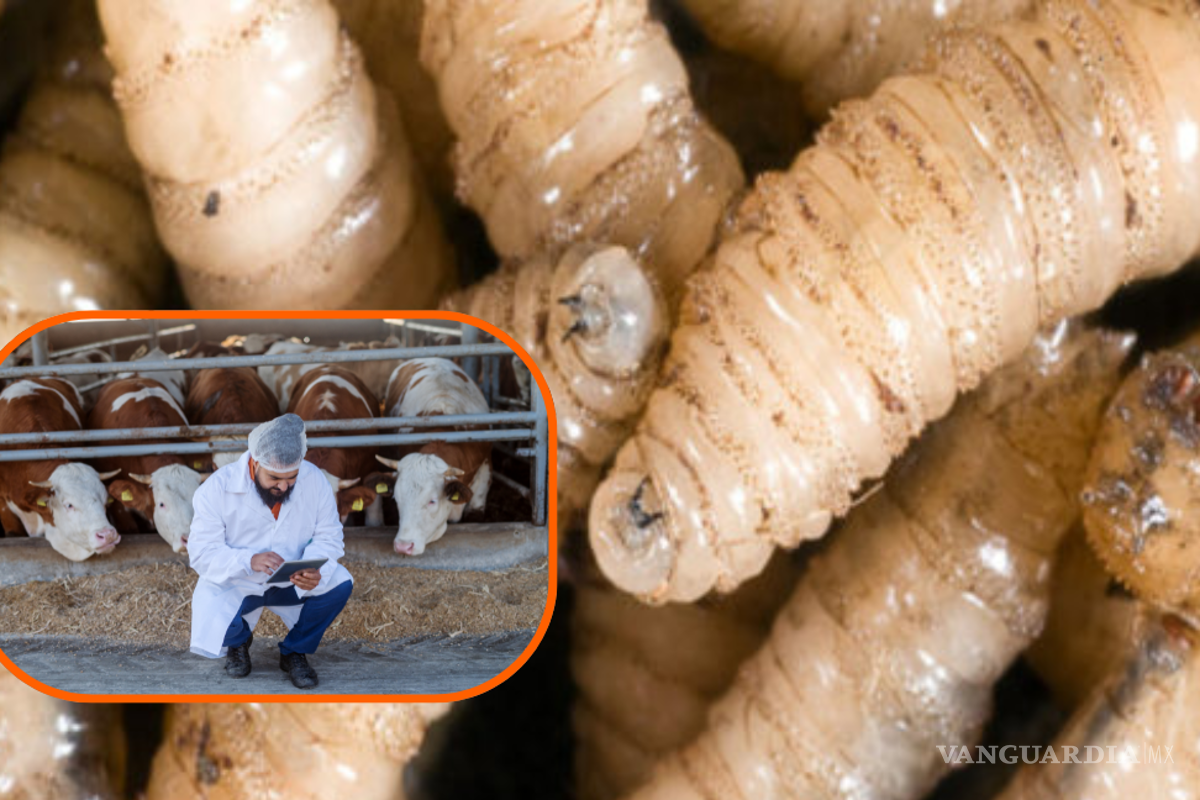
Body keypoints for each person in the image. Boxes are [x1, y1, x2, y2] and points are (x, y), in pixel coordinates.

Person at [186, 413, 353, 689]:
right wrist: (248, 560)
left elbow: (330, 537)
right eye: (274, 477)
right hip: (239, 580)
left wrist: (314, 569)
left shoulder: (315, 481)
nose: (284, 486)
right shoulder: (216, 489)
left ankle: (293, 652)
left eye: (292, 477)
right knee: (211, 606)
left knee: (340, 583)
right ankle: (238, 643)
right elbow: (202, 553)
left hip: (290, 580)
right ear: (254, 462)